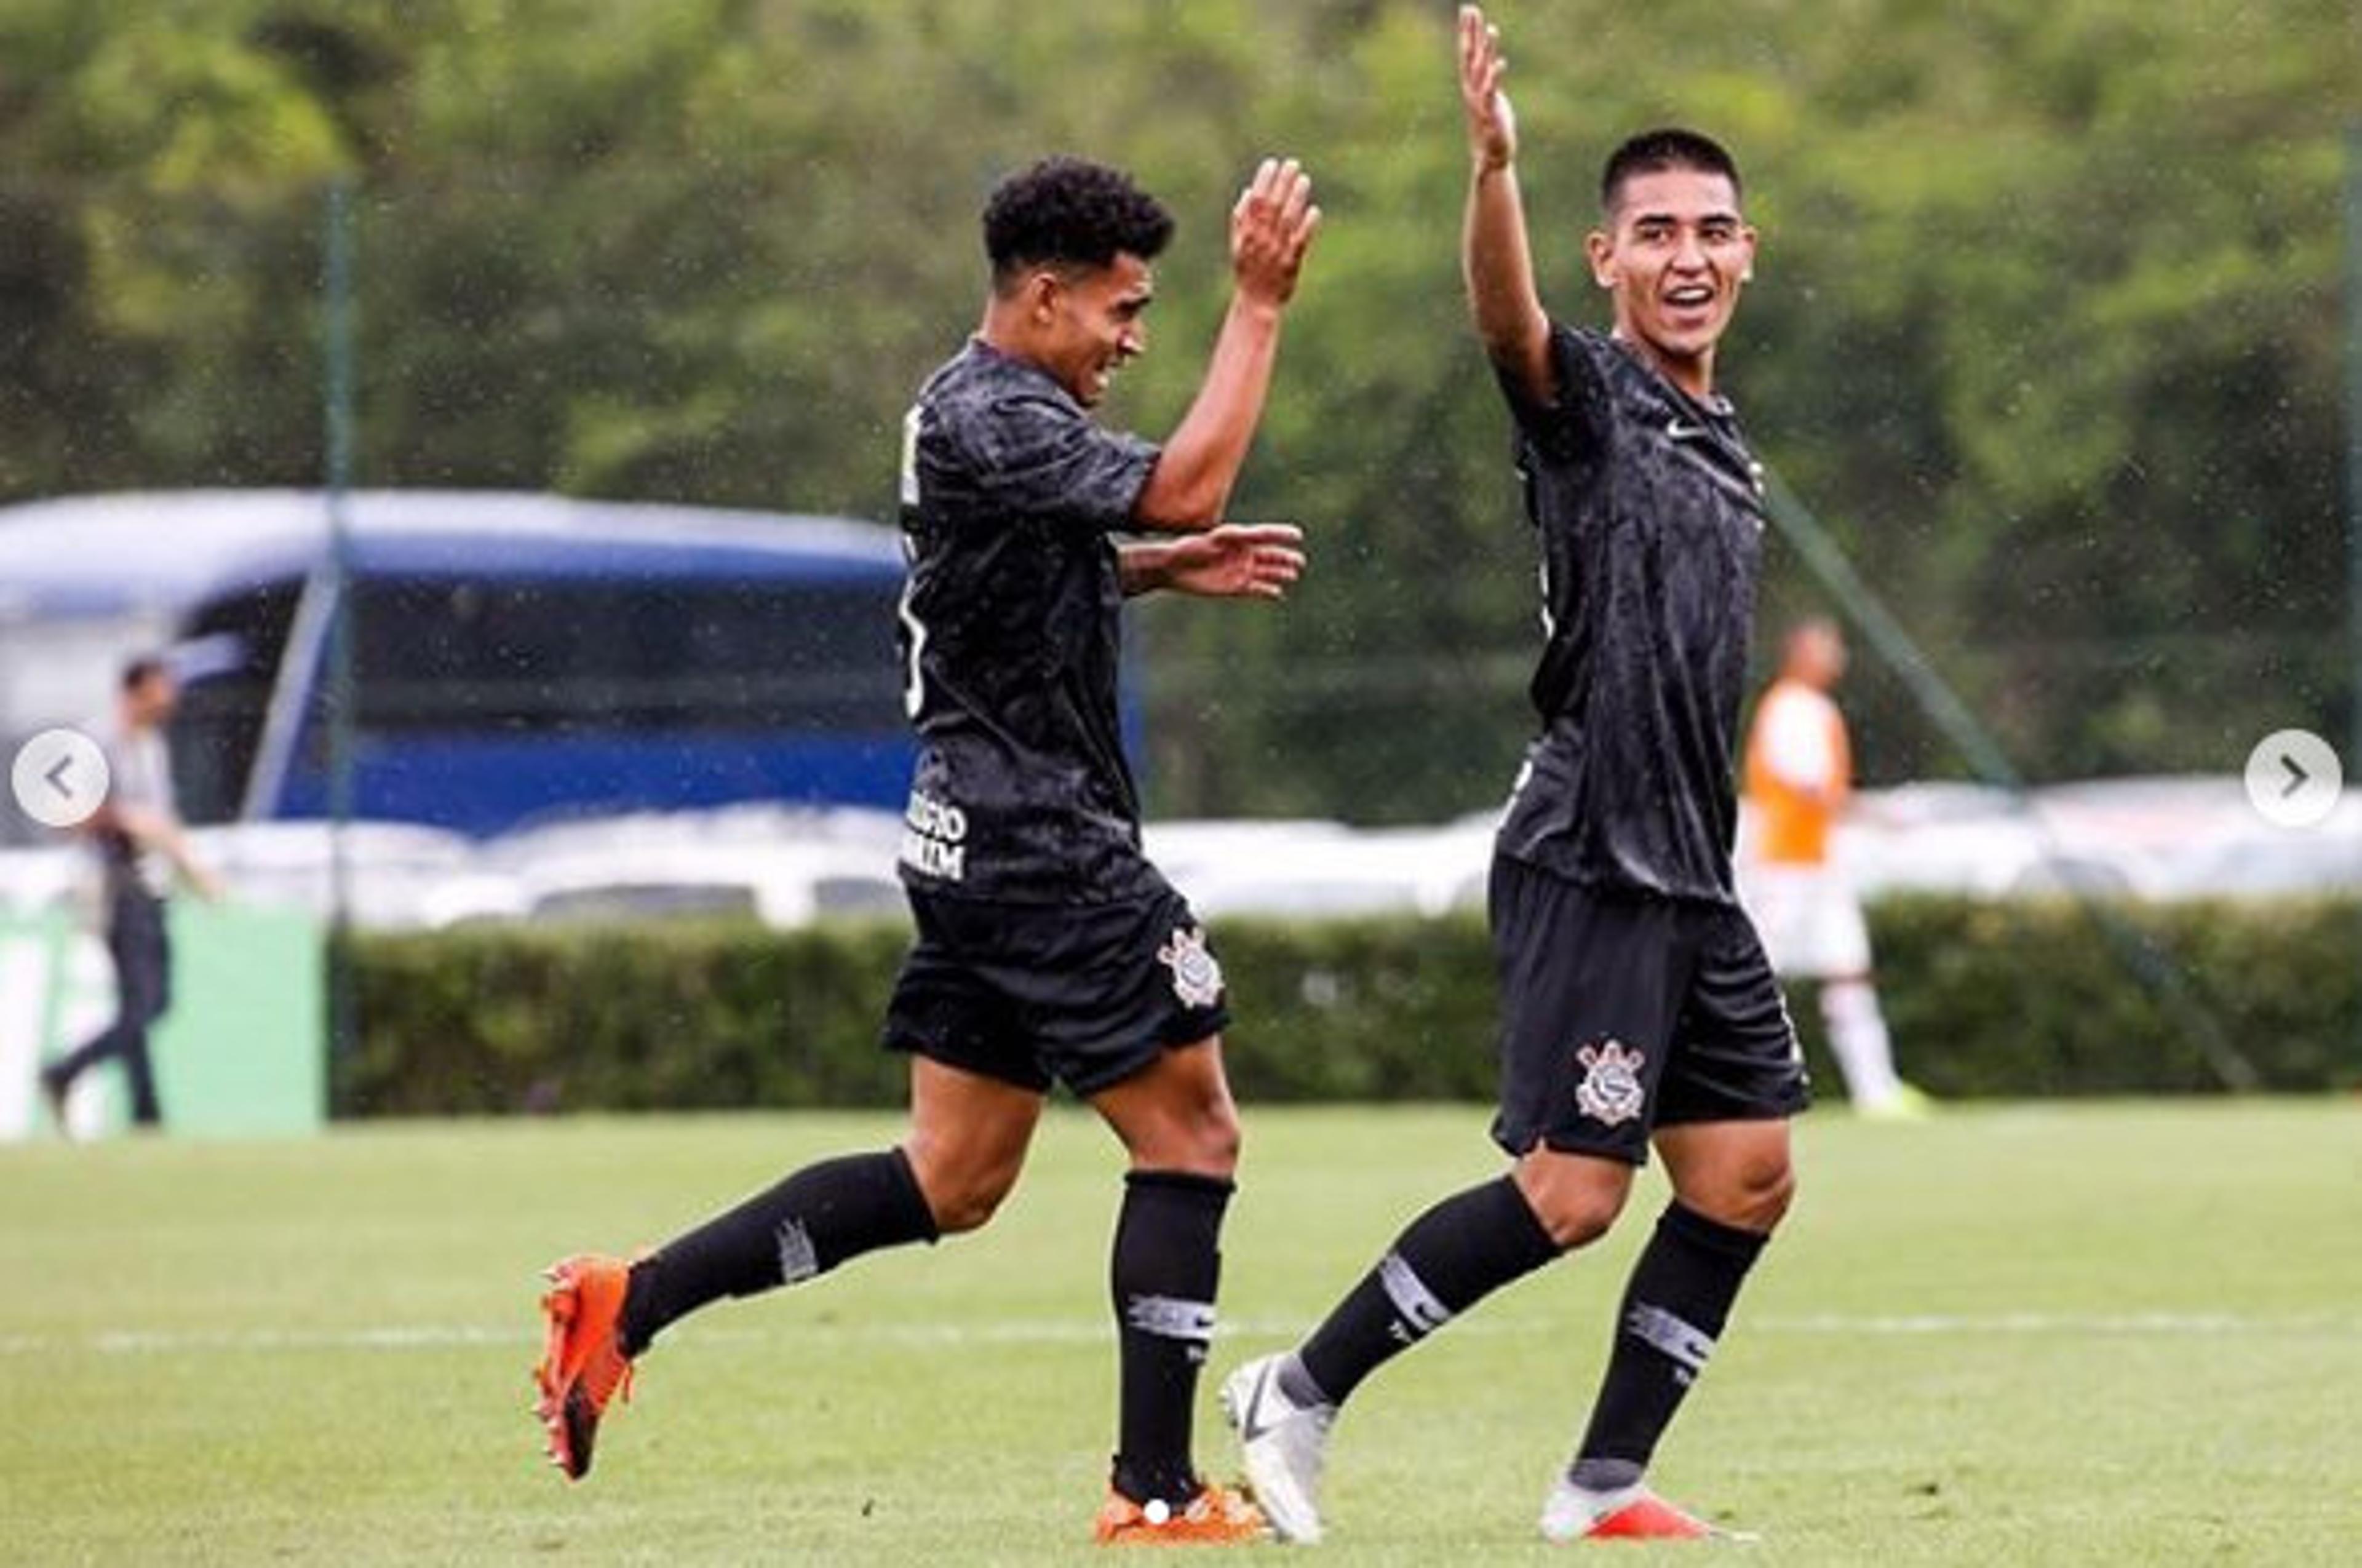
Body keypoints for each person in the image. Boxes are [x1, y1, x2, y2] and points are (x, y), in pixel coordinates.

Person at [533, 153, 1320, 1546]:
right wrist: (1256, 306)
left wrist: (1147, 570)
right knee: (1192, 1133)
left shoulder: (983, 411)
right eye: (1121, 311)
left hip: (969, 832)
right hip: (1041, 841)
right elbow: (1188, 484)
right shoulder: (997, 410)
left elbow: (1009, 575)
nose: (1133, 339)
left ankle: (629, 1301)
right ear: (1040, 295)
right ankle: (1150, 1492)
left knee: (951, 1178)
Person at [1221, 7, 1806, 1545]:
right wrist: (1491, 169)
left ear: (1747, 253)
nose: (1687, 254)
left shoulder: (1721, 434)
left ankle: (1600, 1481)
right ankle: (1300, 1385)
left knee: (1743, 1175)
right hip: (1592, 853)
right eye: (1653, 233)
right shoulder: (1596, 408)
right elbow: (1504, 325)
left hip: (1691, 875)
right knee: (1570, 1196)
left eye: (1712, 231)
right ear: (1605, 260)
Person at [1741, 617, 1928, 1118]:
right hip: (1784, 866)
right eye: (1828, 647)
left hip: (1819, 863)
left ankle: (1877, 1091)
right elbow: (1810, 788)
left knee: (1848, 972)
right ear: (1799, 652)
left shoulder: (1816, 709)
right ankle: (1731, 1087)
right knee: (1753, 979)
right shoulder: (1789, 710)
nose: (1837, 657)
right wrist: (1877, 815)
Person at [39, 655, 221, 1132]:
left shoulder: (152, 746)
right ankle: (65, 1070)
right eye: (162, 689)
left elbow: (163, 820)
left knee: (139, 1006)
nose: (171, 699)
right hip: (118, 887)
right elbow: (70, 815)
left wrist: (192, 870)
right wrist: (122, 819)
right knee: (148, 1004)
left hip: (152, 885)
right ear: (135, 691)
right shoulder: (100, 743)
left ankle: (146, 1114)